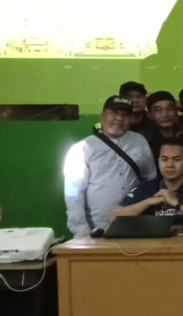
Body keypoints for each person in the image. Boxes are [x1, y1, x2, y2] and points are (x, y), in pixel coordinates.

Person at [63, 96, 156, 237]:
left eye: (125, 115)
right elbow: (73, 194)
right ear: (101, 116)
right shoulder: (82, 148)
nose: (119, 118)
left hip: (136, 223)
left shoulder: (140, 142)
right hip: (97, 227)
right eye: (114, 113)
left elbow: (150, 179)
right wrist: (82, 231)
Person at [114, 139, 183, 225]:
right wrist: (148, 202)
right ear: (158, 162)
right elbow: (114, 216)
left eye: (176, 159)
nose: (169, 165)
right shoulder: (146, 187)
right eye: (164, 159)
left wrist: (176, 203)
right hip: (152, 243)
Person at [142, 91, 183, 157]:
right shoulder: (143, 139)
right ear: (150, 115)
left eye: (169, 108)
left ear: (176, 111)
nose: (165, 114)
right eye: (158, 110)